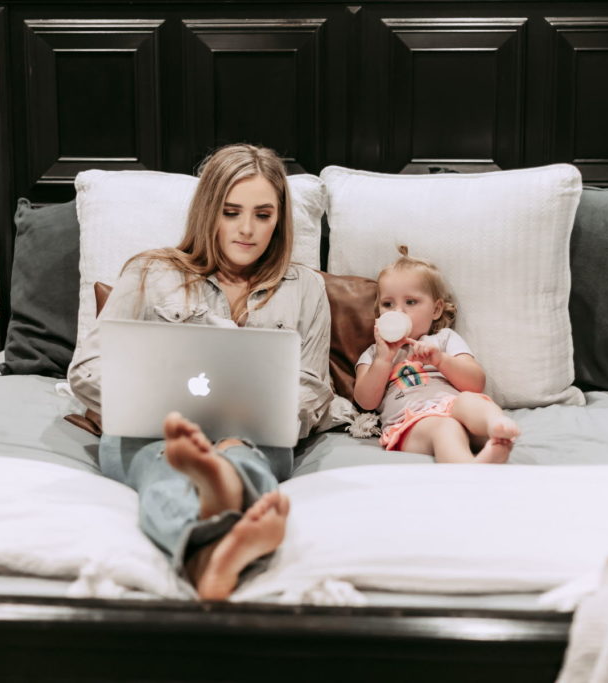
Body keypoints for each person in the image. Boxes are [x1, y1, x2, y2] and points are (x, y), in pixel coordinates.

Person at [69, 143, 333, 600]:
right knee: (164, 461)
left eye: (263, 215)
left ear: (280, 219)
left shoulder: (306, 288)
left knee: (242, 451)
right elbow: (88, 367)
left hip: (255, 437)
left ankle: (205, 543)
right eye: (231, 212)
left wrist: (249, 423)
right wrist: (163, 407)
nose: (247, 229)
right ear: (209, 209)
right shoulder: (149, 271)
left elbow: (312, 387)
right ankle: (223, 515)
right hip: (154, 433)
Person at [353, 246, 520, 464]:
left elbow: (475, 383)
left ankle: (497, 427)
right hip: (412, 424)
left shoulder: (444, 339)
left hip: (455, 409)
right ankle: (470, 467)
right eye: (388, 304)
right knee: (445, 427)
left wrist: (440, 360)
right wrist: (383, 360)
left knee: (470, 401)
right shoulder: (375, 352)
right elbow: (366, 401)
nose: (398, 312)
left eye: (411, 302)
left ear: (436, 310)